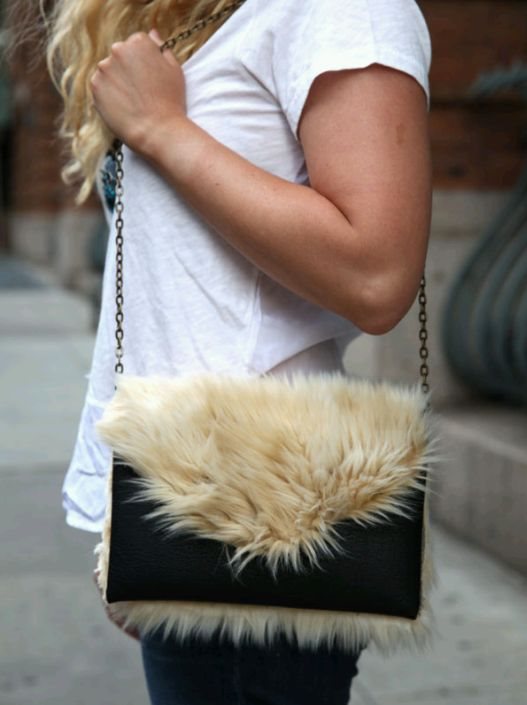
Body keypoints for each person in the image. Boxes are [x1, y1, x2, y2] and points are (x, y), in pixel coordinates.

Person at [44, 0, 433, 702]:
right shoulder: (199, 16)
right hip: (172, 492)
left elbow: (376, 275)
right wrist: (123, 523)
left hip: (265, 515)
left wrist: (164, 130)